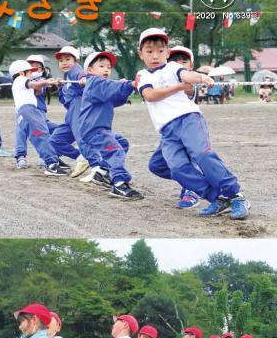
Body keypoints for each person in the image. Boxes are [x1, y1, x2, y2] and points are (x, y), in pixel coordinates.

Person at [136, 27, 250, 220]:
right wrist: (179, 87)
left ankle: (235, 195)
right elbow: (150, 95)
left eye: (160, 51)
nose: (155, 55)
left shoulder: (172, 67)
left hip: (188, 118)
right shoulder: (143, 75)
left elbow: (187, 75)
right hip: (166, 130)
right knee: (177, 168)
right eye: (149, 51)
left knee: (201, 154)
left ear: (168, 52)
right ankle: (216, 198)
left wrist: (201, 77)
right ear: (141, 54)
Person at [78, 51, 143, 199]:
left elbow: (116, 99)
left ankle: (101, 172)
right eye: (101, 66)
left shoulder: (100, 85)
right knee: (115, 151)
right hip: (93, 129)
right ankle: (119, 184)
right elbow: (110, 89)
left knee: (121, 143)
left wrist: (126, 87)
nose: (106, 69)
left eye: (108, 67)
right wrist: (130, 84)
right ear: (90, 70)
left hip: (98, 129)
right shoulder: (94, 82)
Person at [148, 45, 200, 209]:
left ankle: (192, 189)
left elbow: (189, 88)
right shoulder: (161, 81)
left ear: (190, 66)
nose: (179, 64)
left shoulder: (188, 84)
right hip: (168, 133)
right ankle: (195, 179)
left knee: (185, 163)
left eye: (184, 61)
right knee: (156, 165)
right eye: (175, 61)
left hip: (186, 131)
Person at [10, 59, 68, 175]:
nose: (32, 74)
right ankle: (51, 164)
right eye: (29, 72)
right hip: (29, 110)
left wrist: (42, 83)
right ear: (22, 73)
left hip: (27, 112)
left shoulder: (21, 83)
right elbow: (34, 84)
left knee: (41, 135)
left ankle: (52, 162)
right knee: (41, 135)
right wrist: (46, 82)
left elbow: (37, 91)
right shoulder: (21, 79)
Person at [49, 45, 90, 179]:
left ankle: (96, 166)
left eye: (67, 59)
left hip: (78, 109)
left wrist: (84, 78)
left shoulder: (75, 71)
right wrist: (60, 87)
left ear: (76, 60)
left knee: (81, 137)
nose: (64, 63)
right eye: (61, 60)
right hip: (70, 113)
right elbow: (64, 101)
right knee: (55, 140)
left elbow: (81, 75)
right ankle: (80, 157)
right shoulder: (66, 77)